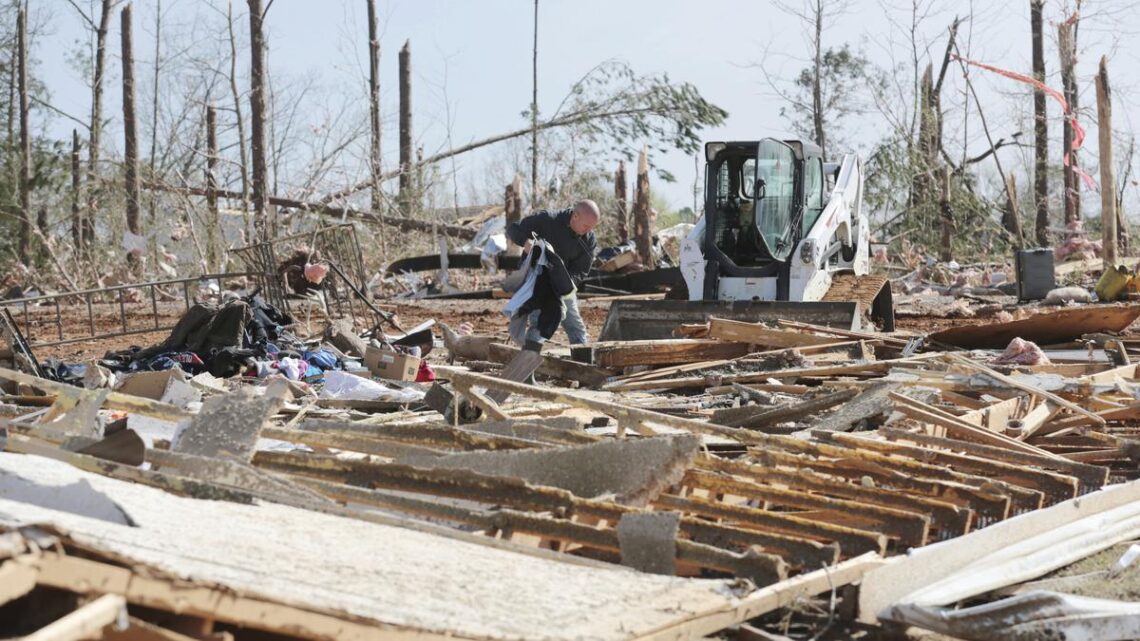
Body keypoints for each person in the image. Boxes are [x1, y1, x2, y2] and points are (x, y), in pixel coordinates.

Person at [506, 200, 599, 346]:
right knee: (539, 326)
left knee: (576, 328)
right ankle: (527, 364)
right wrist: (526, 243)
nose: (588, 231)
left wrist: (566, 286)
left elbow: (581, 270)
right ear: (575, 216)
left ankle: (583, 363)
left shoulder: (589, 239)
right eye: (586, 226)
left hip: (563, 284)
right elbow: (513, 229)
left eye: (592, 227)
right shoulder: (547, 220)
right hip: (537, 281)